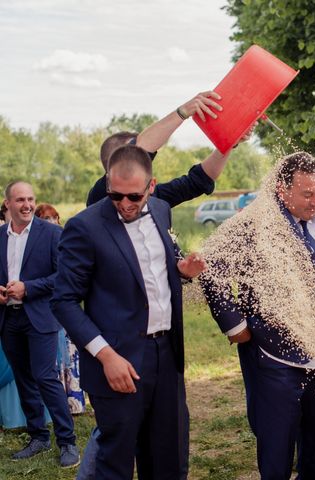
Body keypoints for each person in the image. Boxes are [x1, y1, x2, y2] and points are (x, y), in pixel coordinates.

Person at [51, 145, 206, 480]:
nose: (124, 205)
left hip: (167, 355)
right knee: (116, 462)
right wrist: (106, 356)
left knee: (169, 457)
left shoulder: (162, 209)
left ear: (151, 187)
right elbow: (63, 300)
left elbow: (146, 275)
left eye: (134, 197)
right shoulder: (84, 227)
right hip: (117, 361)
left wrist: (180, 271)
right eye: (115, 195)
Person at [202, 152, 315, 479]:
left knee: (314, 440)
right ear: (281, 189)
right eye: (307, 194)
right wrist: (236, 325)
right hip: (272, 354)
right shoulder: (250, 222)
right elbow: (211, 270)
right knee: (277, 446)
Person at [0, 181, 79, 467]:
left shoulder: (52, 233)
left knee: (45, 377)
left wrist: (28, 288)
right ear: (7, 203)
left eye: (31, 199)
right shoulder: (0, 236)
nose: (27, 205)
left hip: (40, 317)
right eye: (20, 199)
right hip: (9, 318)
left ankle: (67, 441)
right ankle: (38, 437)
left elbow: (63, 276)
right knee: (24, 379)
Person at [86, 90, 229, 207]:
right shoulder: (99, 199)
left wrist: (228, 142)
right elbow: (139, 151)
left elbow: (198, 181)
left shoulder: (151, 198)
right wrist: (183, 112)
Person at [33, 203, 86, 415]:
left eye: (53, 217)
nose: (51, 221)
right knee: (52, 359)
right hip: (45, 306)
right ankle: (54, 404)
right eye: (45, 218)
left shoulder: (65, 238)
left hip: (66, 304)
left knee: (70, 355)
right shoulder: (36, 241)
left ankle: (74, 402)